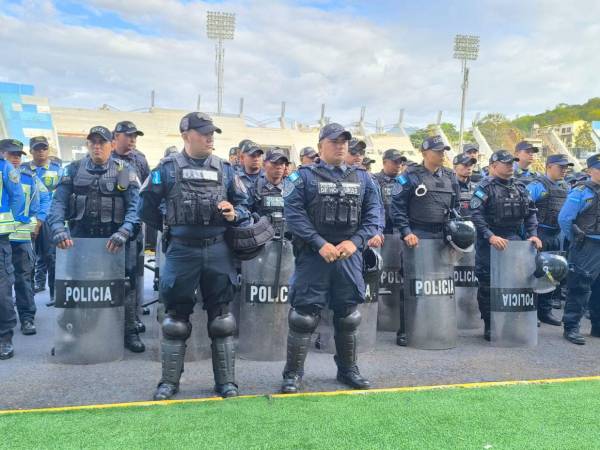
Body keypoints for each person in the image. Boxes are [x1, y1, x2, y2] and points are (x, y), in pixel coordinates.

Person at [138, 112, 250, 400]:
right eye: (203, 132)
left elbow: (246, 205)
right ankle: (169, 382)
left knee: (222, 320)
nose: (210, 137)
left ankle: (226, 382)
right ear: (186, 135)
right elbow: (146, 206)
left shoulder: (226, 169)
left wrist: (234, 213)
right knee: (175, 320)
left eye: (212, 132)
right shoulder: (167, 168)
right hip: (181, 251)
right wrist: (171, 225)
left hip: (217, 249)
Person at [280, 123, 380, 393]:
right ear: (321, 143)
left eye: (345, 141)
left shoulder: (364, 179)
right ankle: (292, 374)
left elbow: (374, 216)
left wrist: (355, 241)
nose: (341, 146)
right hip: (314, 257)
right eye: (335, 141)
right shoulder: (301, 177)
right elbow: (293, 214)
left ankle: (348, 370)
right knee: (303, 317)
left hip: (349, 255)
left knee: (348, 316)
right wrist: (319, 242)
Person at [46, 126, 144, 352]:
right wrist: (58, 229)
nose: (97, 146)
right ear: (88, 144)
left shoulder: (125, 170)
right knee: (76, 284)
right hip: (81, 240)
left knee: (125, 285)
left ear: (111, 144)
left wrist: (125, 231)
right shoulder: (73, 169)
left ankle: (129, 331)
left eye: (102, 142)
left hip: (115, 241)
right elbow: (58, 203)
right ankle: (69, 333)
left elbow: (135, 208)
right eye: (93, 142)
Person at [469, 150, 542, 340]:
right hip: (490, 241)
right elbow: (476, 215)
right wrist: (490, 236)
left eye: (512, 163)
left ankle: (512, 321)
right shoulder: (484, 187)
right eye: (506, 163)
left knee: (517, 282)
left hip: (515, 241)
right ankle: (490, 324)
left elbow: (531, 213)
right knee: (488, 284)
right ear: (493, 166)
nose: (511, 166)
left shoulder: (520, 187)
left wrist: (533, 235)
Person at [5, 141, 49, 336]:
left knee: (23, 279)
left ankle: (27, 318)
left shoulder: (28, 177)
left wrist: (38, 221)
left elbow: (45, 198)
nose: (16, 159)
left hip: (20, 236)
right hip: (1, 237)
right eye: (12, 154)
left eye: (19, 155)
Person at [559, 154, 600, 345]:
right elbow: (565, 219)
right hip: (586, 245)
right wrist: (576, 239)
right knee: (580, 287)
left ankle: (597, 327)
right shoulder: (581, 191)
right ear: (590, 170)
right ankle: (571, 327)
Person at [527, 154, 573, 325]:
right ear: (549, 166)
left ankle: (545, 312)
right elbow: (525, 209)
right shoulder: (537, 186)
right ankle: (530, 311)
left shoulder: (565, 186)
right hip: (539, 234)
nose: (564, 170)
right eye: (560, 167)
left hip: (557, 235)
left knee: (552, 274)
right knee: (534, 273)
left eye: (565, 167)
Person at [391, 135, 460, 245]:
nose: (442, 154)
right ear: (424, 154)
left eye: (443, 151)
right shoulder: (409, 176)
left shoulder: (450, 175)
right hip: (417, 235)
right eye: (438, 151)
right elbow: (397, 207)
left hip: (445, 235)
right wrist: (407, 232)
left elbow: (456, 205)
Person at [0, 139, 28, 360]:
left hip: (0, 236)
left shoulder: (5, 167)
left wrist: (16, 220)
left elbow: (18, 197)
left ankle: (4, 338)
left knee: (2, 290)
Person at [29, 136, 62, 299]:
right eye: (37, 149)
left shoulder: (57, 169)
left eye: (44, 148)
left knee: (51, 256)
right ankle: (32, 289)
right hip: (28, 220)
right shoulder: (24, 169)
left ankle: (54, 294)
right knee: (28, 258)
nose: (41, 152)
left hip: (49, 219)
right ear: (31, 151)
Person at [249, 148, 288, 220]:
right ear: (264, 164)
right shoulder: (255, 186)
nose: (279, 167)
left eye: (282, 163)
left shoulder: (292, 187)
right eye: (275, 163)